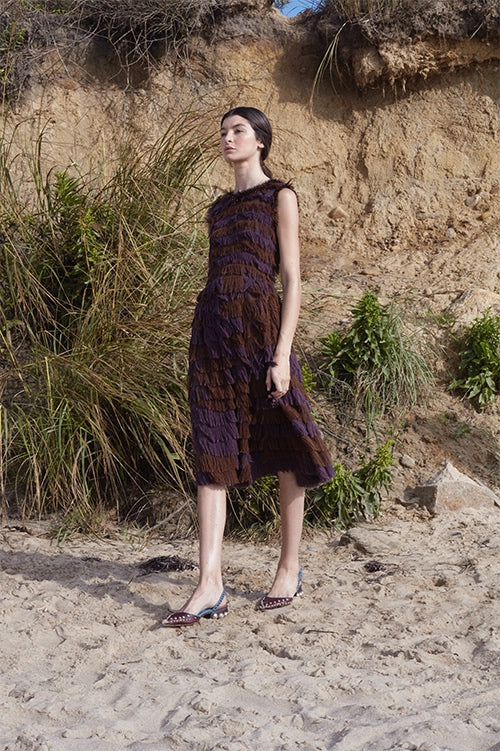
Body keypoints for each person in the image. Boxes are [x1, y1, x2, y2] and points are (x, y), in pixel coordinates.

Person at [163, 106, 334, 628]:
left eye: (238, 130)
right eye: (223, 132)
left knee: (286, 443)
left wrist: (281, 354)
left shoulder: (280, 196)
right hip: (214, 336)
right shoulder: (216, 210)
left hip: (263, 335)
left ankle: (289, 568)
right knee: (211, 450)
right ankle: (209, 584)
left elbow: (292, 278)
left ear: (260, 140)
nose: (227, 138)